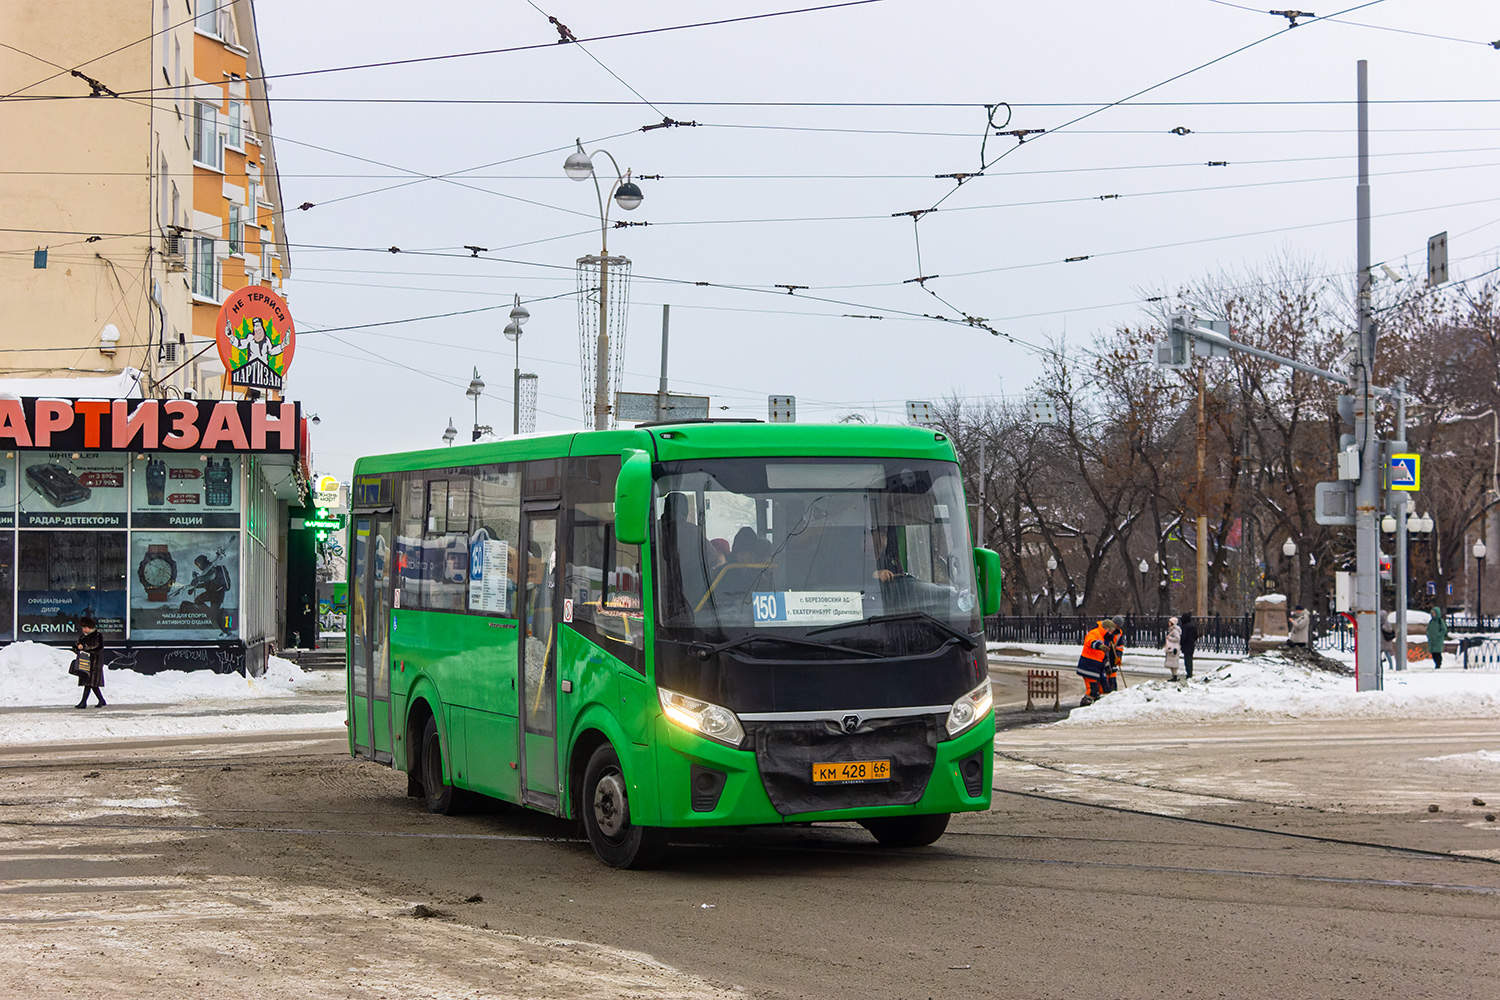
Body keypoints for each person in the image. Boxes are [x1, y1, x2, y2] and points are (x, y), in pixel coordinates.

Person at [1075, 617, 1120, 706]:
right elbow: (1090, 641)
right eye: (1110, 631)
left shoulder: (1106, 638)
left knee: (1104, 688)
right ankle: (1084, 706)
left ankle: (1097, 706)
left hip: (1097, 667)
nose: (1111, 633)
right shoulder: (1095, 633)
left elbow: (1104, 655)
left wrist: (1108, 667)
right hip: (1088, 666)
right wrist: (1099, 646)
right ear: (1106, 629)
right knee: (1092, 690)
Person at [74, 616, 106, 709]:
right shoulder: (83, 636)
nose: (84, 630)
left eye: (86, 628)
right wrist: (78, 647)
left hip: (95, 662)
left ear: (91, 627)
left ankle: (84, 702)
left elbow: (98, 647)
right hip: (85, 661)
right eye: (83, 628)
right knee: (91, 683)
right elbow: (77, 645)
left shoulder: (97, 635)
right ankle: (101, 700)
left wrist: (85, 648)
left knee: (90, 683)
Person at [1179, 612, 1198, 679]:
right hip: (1191, 644)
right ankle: (1190, 672)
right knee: (1190, 659)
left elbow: (1183, 637)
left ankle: (1189, 673)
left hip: (1186, 645)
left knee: (1187, 660)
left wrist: (1181, 643)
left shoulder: (1185, 627)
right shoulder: (1193, 626)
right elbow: (1196, 636)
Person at [1164, 616, 1182, 681]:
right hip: (1172, 648)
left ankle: (1175, 675)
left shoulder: (1175, 630)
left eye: (1170, 622)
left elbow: (1177, 639)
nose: (1169, 623)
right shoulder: (1172, 630)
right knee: (1172, 663)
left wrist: (1169, 638)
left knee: (1173, 663)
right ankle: (1174, 675)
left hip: (1174, 649)